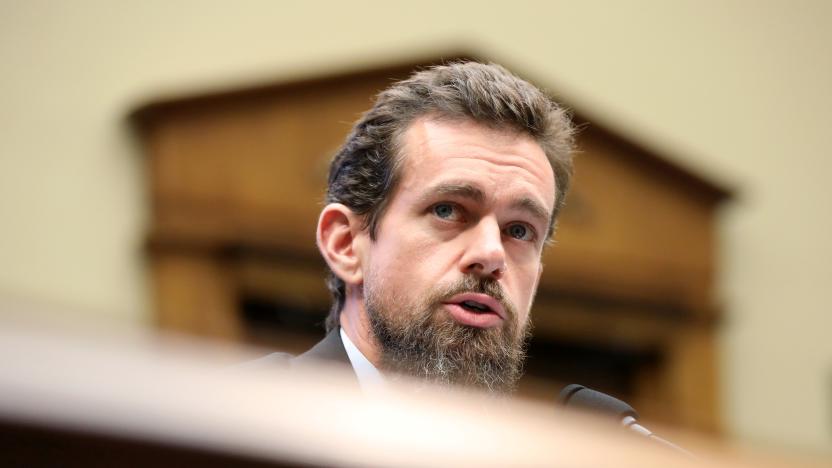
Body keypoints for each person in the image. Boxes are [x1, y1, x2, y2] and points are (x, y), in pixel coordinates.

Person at [264, 61, 575, 394]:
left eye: (519, 231)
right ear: (346, 244)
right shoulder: (247, 417)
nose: (491, 254)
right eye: (447, 210)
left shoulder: (533, 446)